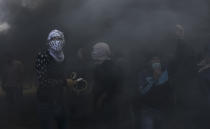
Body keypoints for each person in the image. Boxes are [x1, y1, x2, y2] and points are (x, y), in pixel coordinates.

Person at [34, 29, 82, 129]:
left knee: (63, 124)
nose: (56, 41)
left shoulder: (64, 57)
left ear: (63, 40)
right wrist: (64, 82)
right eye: (53, 38)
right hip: (45, 100)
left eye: (59, 38)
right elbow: (42, 80)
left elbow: (64, 75)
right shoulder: (42, 56)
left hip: (60, 99)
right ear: (48, 41)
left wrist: (72, 82)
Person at [91, 42, 123, 129]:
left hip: (107, 105)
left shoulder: (110, 66)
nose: (93, 52)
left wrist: (102, 98)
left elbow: (113, 85)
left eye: (95, 50)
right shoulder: (99, 66)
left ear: (102, 52)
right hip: (102, 104)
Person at [135, 56, 173, 129]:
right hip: (147, 108)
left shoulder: (165, 72)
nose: (156, 63)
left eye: (158, 60)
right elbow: (142, 92)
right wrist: (153, 80)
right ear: (149, 62)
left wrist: (163, 78)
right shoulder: (143, 73)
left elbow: (168, 90)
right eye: (153, 61)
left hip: (161, 109)